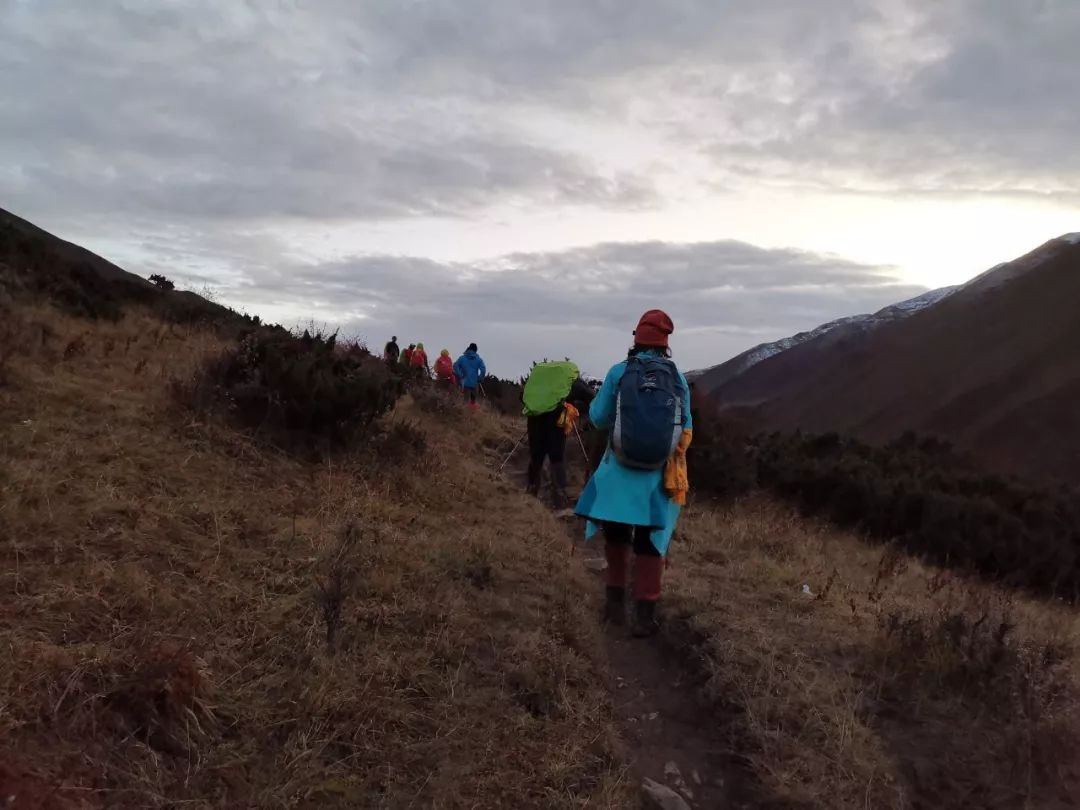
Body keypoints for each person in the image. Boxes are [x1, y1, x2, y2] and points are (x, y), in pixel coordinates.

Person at [574, 310, 693, 638]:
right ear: (665, 344)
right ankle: (645, 614)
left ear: (636, 340)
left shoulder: (619, 372)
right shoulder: (677, 378)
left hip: (618, 474)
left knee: (616, 537)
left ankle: (614, 606)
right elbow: (686, 430)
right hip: (656, 479)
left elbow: (598, 418)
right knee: (649, 543)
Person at [522, 362, 595, 508]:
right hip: (556, 421)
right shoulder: (571, 380)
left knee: (536, 455)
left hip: (534, 419)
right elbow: (592, 398)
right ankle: (559, 497)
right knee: (556, 457)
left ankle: (531, 492)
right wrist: (577, 407)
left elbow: (523, 397)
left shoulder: (539, 380)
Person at [453, 343, 486, 408]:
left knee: (465, 401)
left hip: (464, 382)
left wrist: (460, 375)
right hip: (474, 383)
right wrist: (480, 378)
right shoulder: (479, 359)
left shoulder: (462, 358)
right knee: (473, 402)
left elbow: (455, 366)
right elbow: (483, 370)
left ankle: (464, 411)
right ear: (476, 350)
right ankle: (472, 411)